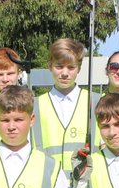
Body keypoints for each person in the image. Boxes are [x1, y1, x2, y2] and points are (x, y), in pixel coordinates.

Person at [33, 38, 99, 174]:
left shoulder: (96, 101)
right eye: (59, 66)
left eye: (71, 67)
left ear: (79, 69)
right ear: (49, 66)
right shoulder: (35, 104)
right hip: (48, 184)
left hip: (87, 186)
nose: (64, 73)